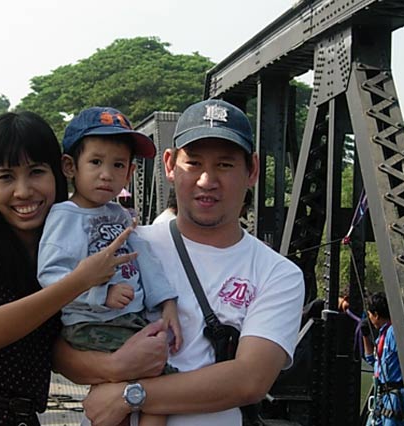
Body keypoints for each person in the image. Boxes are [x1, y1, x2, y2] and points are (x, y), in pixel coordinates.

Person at [55, 99, 305, 426]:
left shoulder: (278, 273)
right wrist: (114, 369)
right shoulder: (127, 245)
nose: (206, 180)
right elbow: (60, 349)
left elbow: (250, 379)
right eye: (195, 163)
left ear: (252, 170)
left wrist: (130, 393)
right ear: (170, 165)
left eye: (225, 165)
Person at [0, 111, 137, 425]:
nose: (23, 191)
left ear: (61, 172)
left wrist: (121, 364)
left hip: (23, 417)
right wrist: (79, 282)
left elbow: (63, 346)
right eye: (6, 176)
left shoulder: (66, 250)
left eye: (36, 172)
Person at [38, 107, 182, 426]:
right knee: (161, 381)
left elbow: (146, 261)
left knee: (139, 390)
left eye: (118, 165)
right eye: (95, 162)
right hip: (91, 324)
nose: (107, 174)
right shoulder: (65, 216)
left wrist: (167, 303)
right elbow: (51, 278)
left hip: (126, 320)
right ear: (69, 166)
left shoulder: (119, 214)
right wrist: (102, 293)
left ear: (129, 174)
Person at [362, 292, 404, 426]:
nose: (369, 318)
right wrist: (365, 336)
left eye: (370, 315)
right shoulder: (382, 335)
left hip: (394, 396)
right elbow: (372, 361)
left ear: (376, 314)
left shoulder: (394, 333)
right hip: (381, 396)